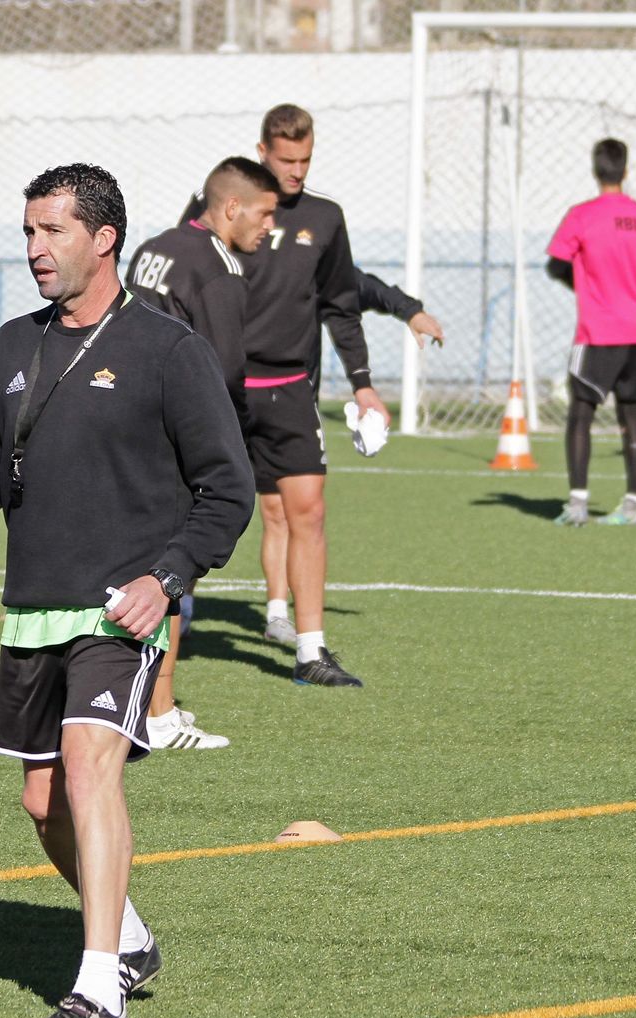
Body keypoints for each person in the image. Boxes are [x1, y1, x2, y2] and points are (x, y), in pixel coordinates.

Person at [0, 163, 253, 1018]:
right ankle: (128, 938)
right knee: (41, 798)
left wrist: (162, 579)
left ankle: (97, 992)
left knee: (91, 766)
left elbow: (228, 489)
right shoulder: (9, 348)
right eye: (27, 232)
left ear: (104, 240)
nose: (34, 250)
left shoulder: (169, 350)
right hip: (33, 610)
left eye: (52, 232)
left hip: (117, 613)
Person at [181, 104, 377, 686]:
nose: (297, 170)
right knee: (192, 503)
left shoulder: (326, 217)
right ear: (263, 152)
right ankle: (176, 611)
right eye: (286, 159)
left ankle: (310, 651)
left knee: (307, 512)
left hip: (291, 390)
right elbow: (183, 282)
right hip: (223, 386)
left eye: (306, 158)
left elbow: (342, 303)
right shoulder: (222, 208)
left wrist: (363, 385)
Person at [125, 155, 277, 751]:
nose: (269, 227)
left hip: (127, 413)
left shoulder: (157, 246)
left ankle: (140, 704)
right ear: (231, 206)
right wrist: (231, 444)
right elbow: (224, 370)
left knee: (137, 564)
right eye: (264, 214)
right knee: (169, 569)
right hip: (172, 431)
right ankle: (158, 716)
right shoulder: (219, 268)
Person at [544, 138, 636, 527]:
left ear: (595, 169)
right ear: (626, 170)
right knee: (631, 414)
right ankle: (635, 505)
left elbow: (555, 264)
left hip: (597, 333)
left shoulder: (582, 216)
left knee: (581, 414)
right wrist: (631, 269)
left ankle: (578, 504)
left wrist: (585, 281)